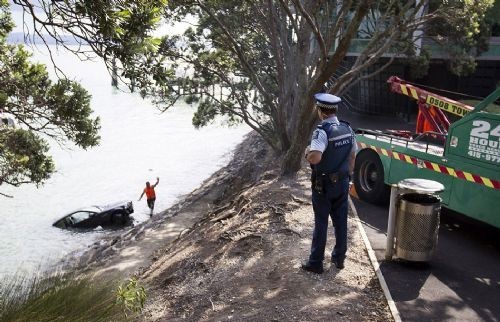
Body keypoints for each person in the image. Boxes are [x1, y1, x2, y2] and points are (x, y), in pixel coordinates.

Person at [301, 93, 356, 274]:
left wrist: (307, 153)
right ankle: (339, 259)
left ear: (321, 112)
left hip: (323, 185)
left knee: (321, 223)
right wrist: (349, 178)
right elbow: (352, 156)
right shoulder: (348, 129)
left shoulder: (322, 131)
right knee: (341, 223)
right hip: (342, 183)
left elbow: (316, 158)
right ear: (334, 110)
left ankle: (316, 262)